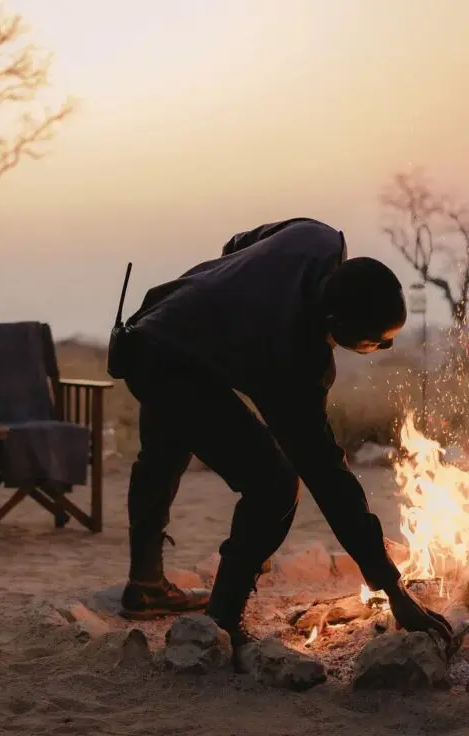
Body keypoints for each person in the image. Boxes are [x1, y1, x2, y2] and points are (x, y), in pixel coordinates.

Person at [110, 217, 453, 658]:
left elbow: (236, 243)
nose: (383, 350)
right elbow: (330, 482)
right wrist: (392, 588)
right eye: (376, 342)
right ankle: (222, 619)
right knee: (273, 485)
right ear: (336, 324)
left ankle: (145, 586)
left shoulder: (316, 237)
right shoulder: (290, 362)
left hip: (157, 328)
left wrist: (222, 315)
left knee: (163, 454)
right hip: (164, 360)